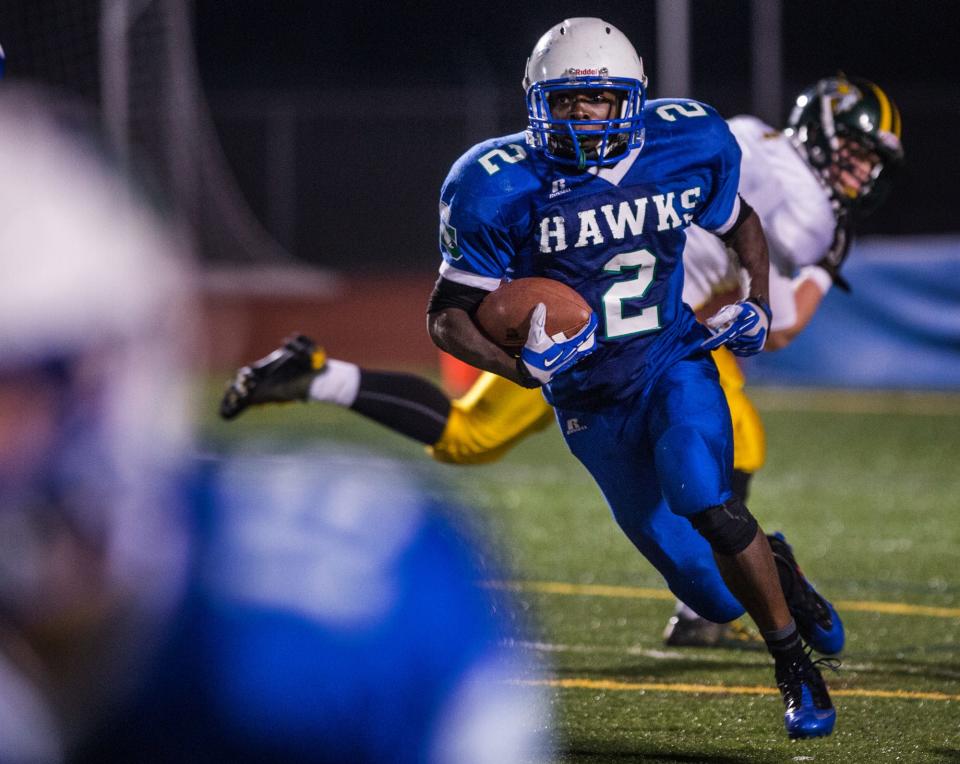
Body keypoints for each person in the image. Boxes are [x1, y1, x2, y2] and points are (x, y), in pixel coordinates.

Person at [225, 19, 856, 739]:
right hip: (588, 399)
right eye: (568, 103)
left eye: (603, 102)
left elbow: (740, 220)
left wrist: (758, 298)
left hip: (671, 358)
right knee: (711, 598)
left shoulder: (687, 140)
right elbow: (448, 315)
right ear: (535, 103)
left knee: (702, 489)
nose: (587, 120)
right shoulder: (494, 182)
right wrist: (520, 368)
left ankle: (792, 665)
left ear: (636, 99)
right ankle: (779, 568)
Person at [0, 86, 550, 763]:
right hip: (569, 357)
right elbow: (454, 307)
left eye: (9, 393)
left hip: (642, 360)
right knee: (474, 434)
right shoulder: (500, 180)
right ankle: (319, 375)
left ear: (107, 378)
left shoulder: (313, 620)